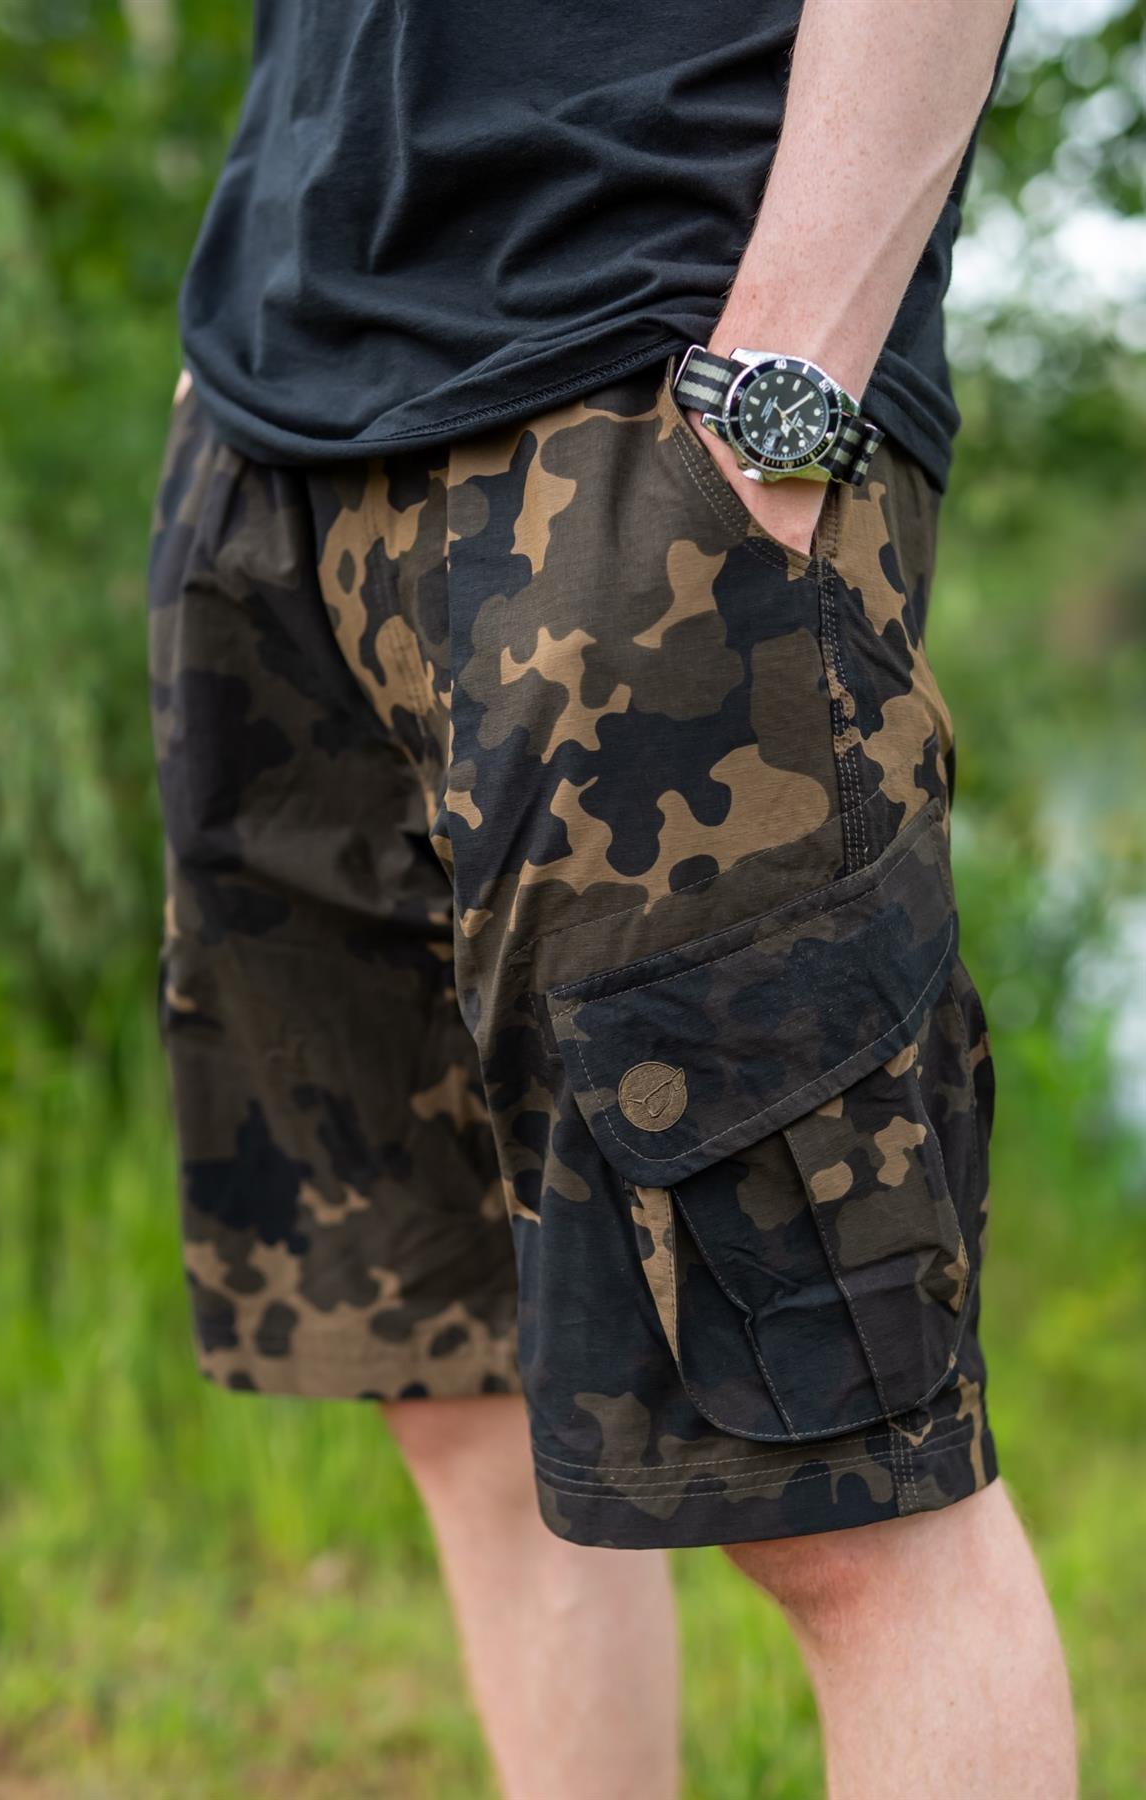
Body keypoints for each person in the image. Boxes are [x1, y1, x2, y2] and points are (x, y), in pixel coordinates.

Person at [148, 2, 1077, 1793]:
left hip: (643, 399)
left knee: (843, 1475)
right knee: (456, 1384)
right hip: (272, 430)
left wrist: (786, 376)